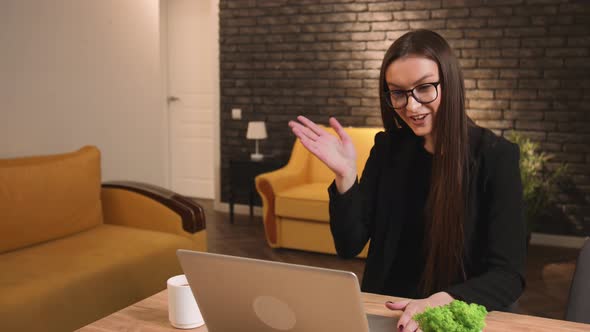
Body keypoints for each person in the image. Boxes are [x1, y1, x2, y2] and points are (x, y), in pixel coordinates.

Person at [288, 29, 526, 332]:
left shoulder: (495, 157)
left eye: (424, 88)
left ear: (449, 84)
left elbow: (508, 275)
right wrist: (345, 176)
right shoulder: (388, 148)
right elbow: (349, 245)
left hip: (452, 317)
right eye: (398, 93)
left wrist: (442, 300)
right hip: (386, 314)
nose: (411, 107)